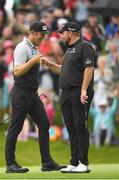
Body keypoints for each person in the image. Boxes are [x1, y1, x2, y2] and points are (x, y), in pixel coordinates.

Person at [5, 21, 65, 173]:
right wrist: (34, 60)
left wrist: (63, 68)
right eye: (41, 34)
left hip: (32, 94)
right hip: (21, 93)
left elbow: (43, 64)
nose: (43, 37)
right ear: (32, 33)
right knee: (15, 128)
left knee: (44, 124)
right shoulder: (21, 48)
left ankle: (47, 162)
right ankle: (10, 164)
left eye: (44, 35)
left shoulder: (34, 48)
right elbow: (17, 71)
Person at [41, 21, 96, 173]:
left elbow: (89, 68)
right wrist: (50, 65)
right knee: (71, 127)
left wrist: (84, 90)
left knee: (80, 126)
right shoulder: (69, 50)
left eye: (63, 33)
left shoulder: (84, 47)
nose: (61, 36)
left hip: (79, 92)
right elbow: (64, 70)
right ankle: (74, 161)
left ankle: (83, 163)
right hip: (65, 93)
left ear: (71, 33)